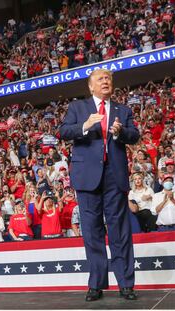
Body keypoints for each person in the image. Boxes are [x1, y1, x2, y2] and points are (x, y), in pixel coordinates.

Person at [60, 69, 139, 302]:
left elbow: (134, 135)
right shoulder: (78, 108)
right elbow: (63, 131)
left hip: (115, 176)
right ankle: (96, 284)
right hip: (87, 177)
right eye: (100, 79)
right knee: (92, 232)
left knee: (120, 231)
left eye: (108, 78)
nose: (105, 81)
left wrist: (121, 132)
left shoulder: (122, 110)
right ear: (90, 86)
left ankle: (126, 283)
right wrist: (84, 126)